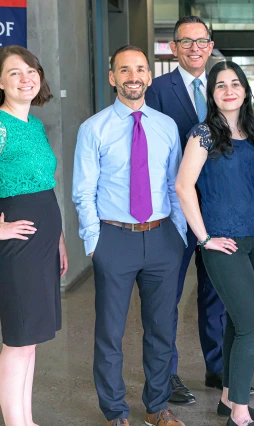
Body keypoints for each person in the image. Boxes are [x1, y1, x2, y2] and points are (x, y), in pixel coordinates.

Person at [72, 45, 187, 426]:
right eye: (124, 70)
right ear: (113, 77)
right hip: (114, 238)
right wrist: (94, 243)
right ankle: (115, 411)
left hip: (161, 237)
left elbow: (175, 185)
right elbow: (83, 191)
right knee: (110, 332)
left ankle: (157, 407)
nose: (133, 76)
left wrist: (180, 234)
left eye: (140, 69)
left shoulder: (166, 126)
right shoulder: (93, 128)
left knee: (161, 329)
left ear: (149, 76)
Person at [175, 60, 254, 426]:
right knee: (252, 324)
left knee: (238, 321)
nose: (228, 90)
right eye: (220, 85)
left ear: (245, 90)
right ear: (212, 94)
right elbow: (182, 186)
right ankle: (239, 413)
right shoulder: (203, 134)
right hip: (224, 242)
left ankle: (226, 397)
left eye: (235, 83)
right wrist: (204, 238)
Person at [145, 16, 231, 404]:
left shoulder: (224, 85)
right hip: (172, 209)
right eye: (186, 42)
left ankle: (217, 367)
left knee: (216, 293)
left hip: (216, 207)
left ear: (210, 45)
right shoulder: (157, 89)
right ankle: (168, 375)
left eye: (202, 41)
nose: (195, 48)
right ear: (174, 48)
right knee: (168, 294)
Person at [0, 45, 67, 426]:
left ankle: (25, 418)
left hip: (42, 235)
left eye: (31, 70)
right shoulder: (0, 125)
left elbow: (43, 185)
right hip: (17, 240)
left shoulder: (35, 124)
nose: (25, 78)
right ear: (0, 82)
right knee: (17, 338)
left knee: (31, 338)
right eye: (14, 72)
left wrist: (57, 237)